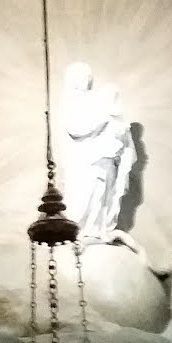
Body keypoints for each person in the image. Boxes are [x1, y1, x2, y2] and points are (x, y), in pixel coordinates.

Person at [61, 61, 136, 246]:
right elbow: (75, 129)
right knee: (84, 193)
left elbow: (117, 125)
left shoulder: (96, 99)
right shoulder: (70, 101)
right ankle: (80, 229)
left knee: (102, 194)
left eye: (88, 77)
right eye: (82, 77)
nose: (86, 81)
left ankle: (97, 230)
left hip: (104, 157)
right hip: (84, 160)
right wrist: (102, 119)